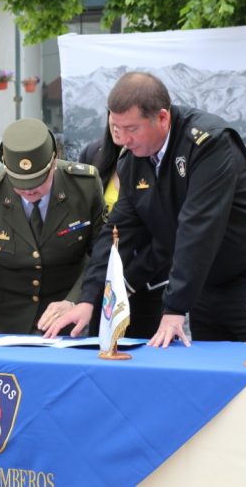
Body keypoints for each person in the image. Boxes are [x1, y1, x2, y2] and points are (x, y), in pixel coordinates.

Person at [44, 72, 246, 346]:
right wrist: (89, 299)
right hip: (208, 277)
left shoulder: (209, 143)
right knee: (212, 367)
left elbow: (198, 228)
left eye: (132, 129)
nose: (123, 140)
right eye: (116, 128)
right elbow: (117, 233)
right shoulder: (132, 162)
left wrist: (174, 309)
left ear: (163, 118)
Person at [0, 118, 105, 334]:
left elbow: (101, 254)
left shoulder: (84, 185)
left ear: (54, 162)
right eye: (19, 184)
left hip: (68, 317)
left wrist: (77, 301)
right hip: (7, 318)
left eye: (38, 182)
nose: (29, 191)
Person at [78, 119, 162, 339]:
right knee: (101, 348)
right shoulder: (93, 154)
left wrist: (128, 281)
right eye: (114, 120)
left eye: (129, 124)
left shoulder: (153, 155)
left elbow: (164, 231)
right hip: (103, 277)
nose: (119, 129)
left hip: (147, 277)